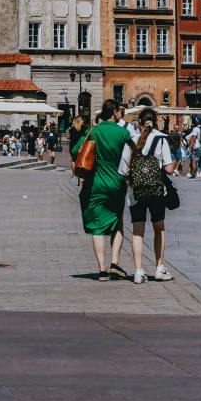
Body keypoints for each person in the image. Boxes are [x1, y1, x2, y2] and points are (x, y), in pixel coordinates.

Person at [120, 107, 177, 283]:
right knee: (158, 228)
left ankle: (138, 272)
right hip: (157, 191)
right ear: (156, 122)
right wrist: (173, 164)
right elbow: (168, 168)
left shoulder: (130, 141)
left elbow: (123, 171)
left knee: (138, 231)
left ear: (138, 123)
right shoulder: (161, 140)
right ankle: (159, 268)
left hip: (136, 193)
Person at [75, 104, 131, 279]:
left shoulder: (94, 131)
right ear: (114, 112)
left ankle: (102, 269)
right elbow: (130, 157)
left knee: (98, 227)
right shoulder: (123, 133)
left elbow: (76, 150)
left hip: (96, 181)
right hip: (116, 181)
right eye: (120, 111)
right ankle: (115, 262)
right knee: (117, 221)